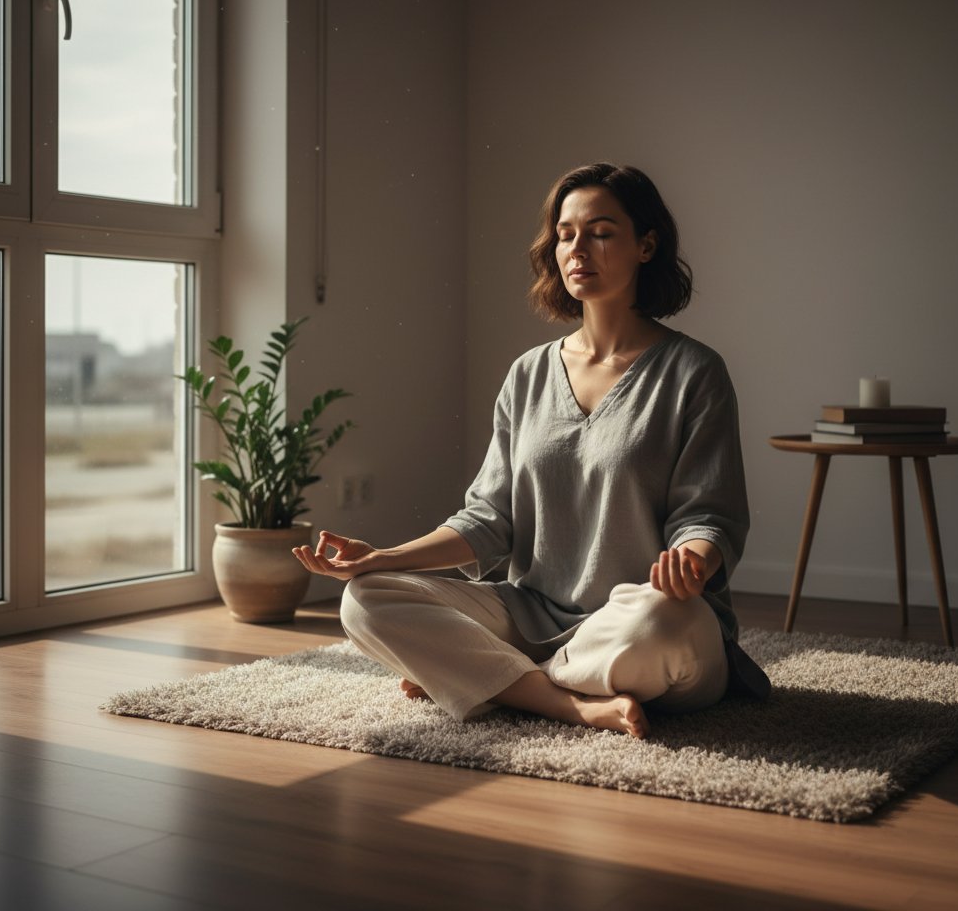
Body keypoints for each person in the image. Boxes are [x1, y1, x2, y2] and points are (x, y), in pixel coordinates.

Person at [293, 162, 769, 739]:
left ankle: (487, 679)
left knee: (665, 627)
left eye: (600, 231)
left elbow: (709, 515)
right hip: (532, 613)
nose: (577, 249)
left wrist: (691, 563)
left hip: (644, 616)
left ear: (646, 245)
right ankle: (568, 701)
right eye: (565, 234)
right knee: (364, 602)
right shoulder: (528, 375)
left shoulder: (695, 372)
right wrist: (380, 559)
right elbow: (488, 519)